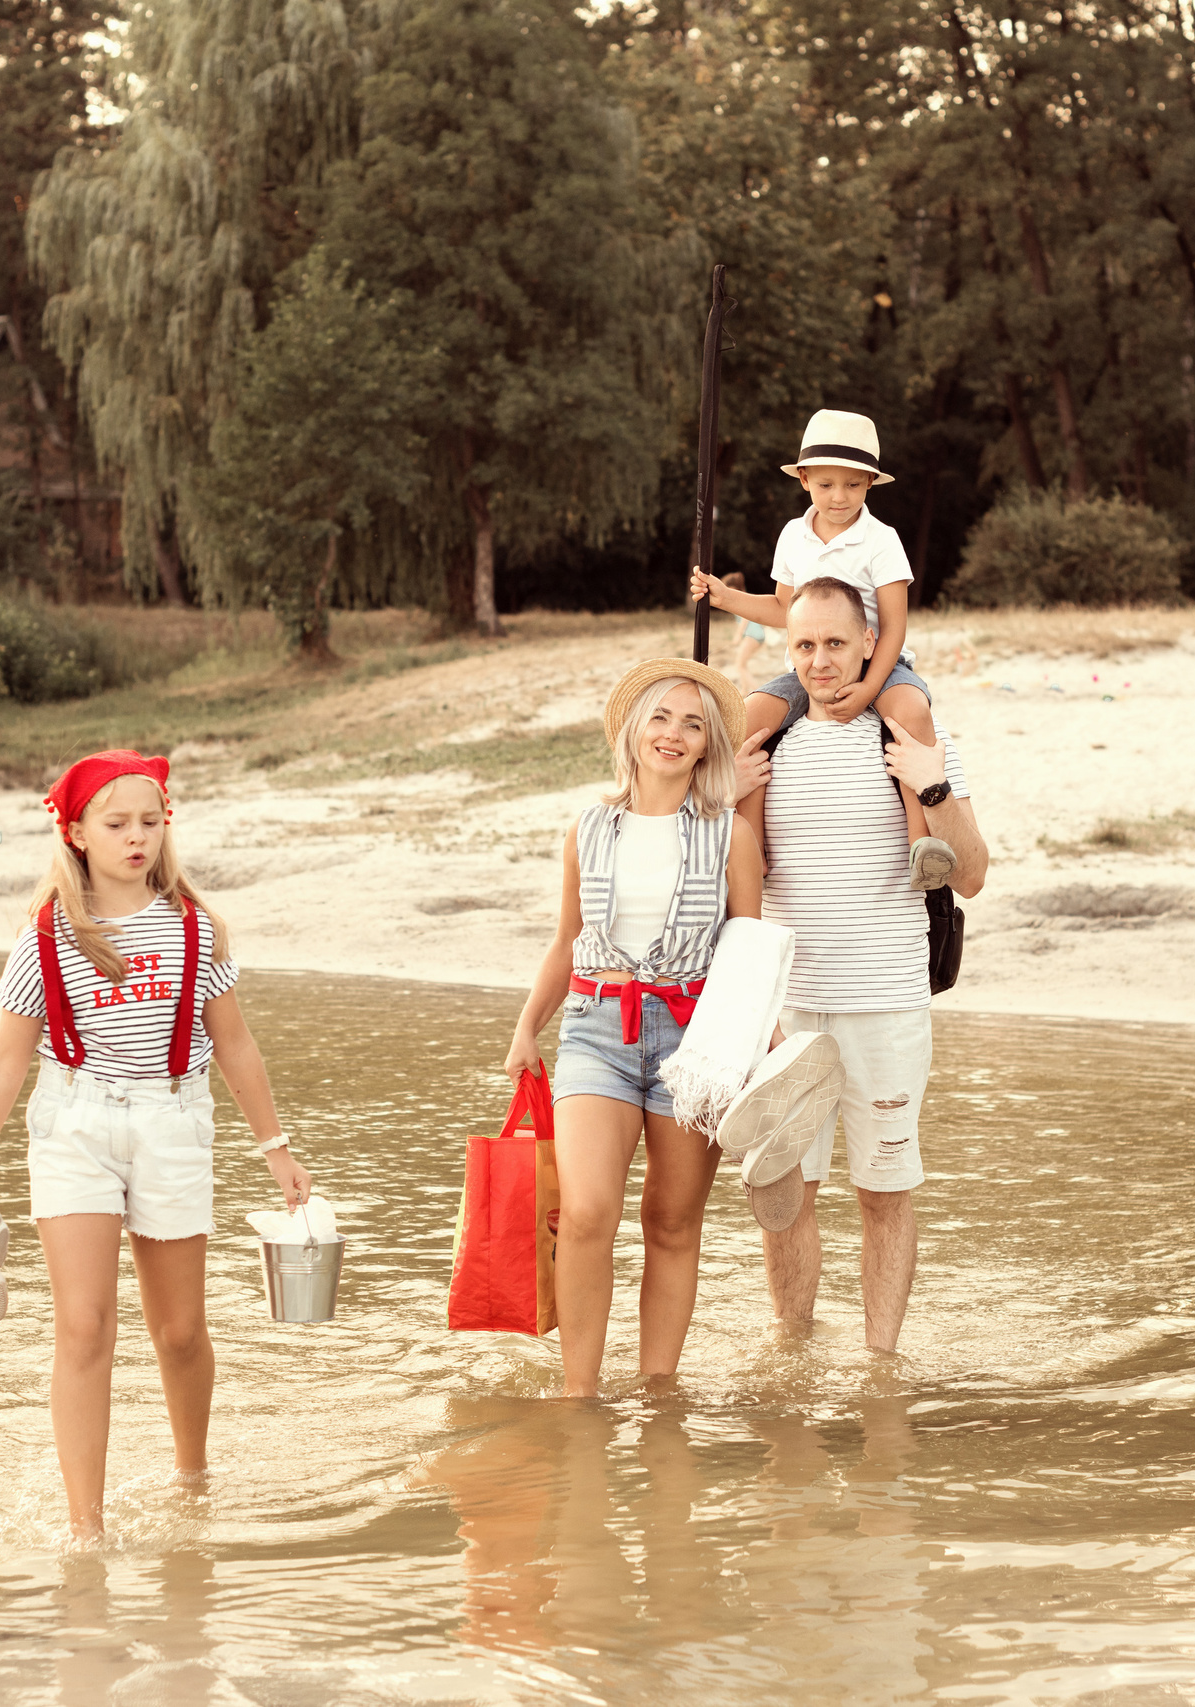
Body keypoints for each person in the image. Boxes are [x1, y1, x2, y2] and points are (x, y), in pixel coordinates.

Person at [0, 748, 312, 1540]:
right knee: (85, 1325)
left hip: (173, 1124)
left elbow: (235, 1047)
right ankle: (85, 1530)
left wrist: (276, 1146)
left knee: (179, 1331)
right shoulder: (46, 935)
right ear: (76, 833)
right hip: (74, 1127)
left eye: (150, 821)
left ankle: (192, 1476)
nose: (138, 837)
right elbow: (3, 1065)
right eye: (117, 822)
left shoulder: (198, 930)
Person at [501, 659, 778, 1399]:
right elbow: (567, 940)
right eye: (660, 717)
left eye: (692, 723)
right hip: (597, 1027)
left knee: (671, 1221)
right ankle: (579, 1396)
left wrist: (764, 1048)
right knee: (588, 1212)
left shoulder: (730, 836)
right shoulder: (588, 828)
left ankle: (658, 1391)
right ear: (633, 728)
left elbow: (747, 954)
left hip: (698, 1038)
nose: (674, 733)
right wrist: (530, 1024)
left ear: (707, 743)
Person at [738, 580, 989, 1353]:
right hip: (787, 1014)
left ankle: (881, 1363)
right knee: (784, 1194)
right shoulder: (768, 745)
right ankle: (792, 1352)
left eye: (836, 643)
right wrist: (725, 797)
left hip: (886, 1003)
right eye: (804, 645)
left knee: (883, 1191)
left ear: (869, 644)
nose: (820, 660)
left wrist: (933, 782)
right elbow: (731, 879)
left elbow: (972, 872)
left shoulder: (910, 734)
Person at [688, 408, 956, 894]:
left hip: (879, 662)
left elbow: (894, 627)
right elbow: (782, 608)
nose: (840, 497)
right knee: (750, 720)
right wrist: (724, 598)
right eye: (828, 484)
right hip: (809, 667)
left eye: (854, 485)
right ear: (805, 479)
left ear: (870, 484)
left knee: (911, 711)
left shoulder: (881, 541)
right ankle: (753, 844)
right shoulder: (793, 536)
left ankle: (922, 844)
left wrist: (872, 686)